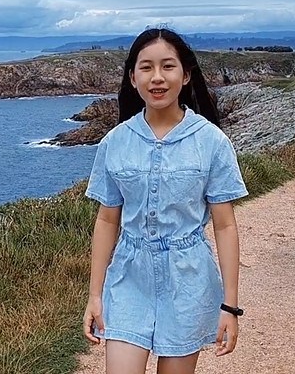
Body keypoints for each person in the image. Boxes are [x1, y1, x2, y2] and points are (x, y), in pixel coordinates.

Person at [83, 27, 248, 374]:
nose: (157, 77)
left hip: (188, 282)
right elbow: (107, 219)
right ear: (132, 77)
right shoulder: (115, 142)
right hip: (129, 278)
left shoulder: (211, 141)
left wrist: (230, 306)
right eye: (146, 67)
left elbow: (225, 225)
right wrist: (95, 295)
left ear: (185, 75)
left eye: (168, 66)